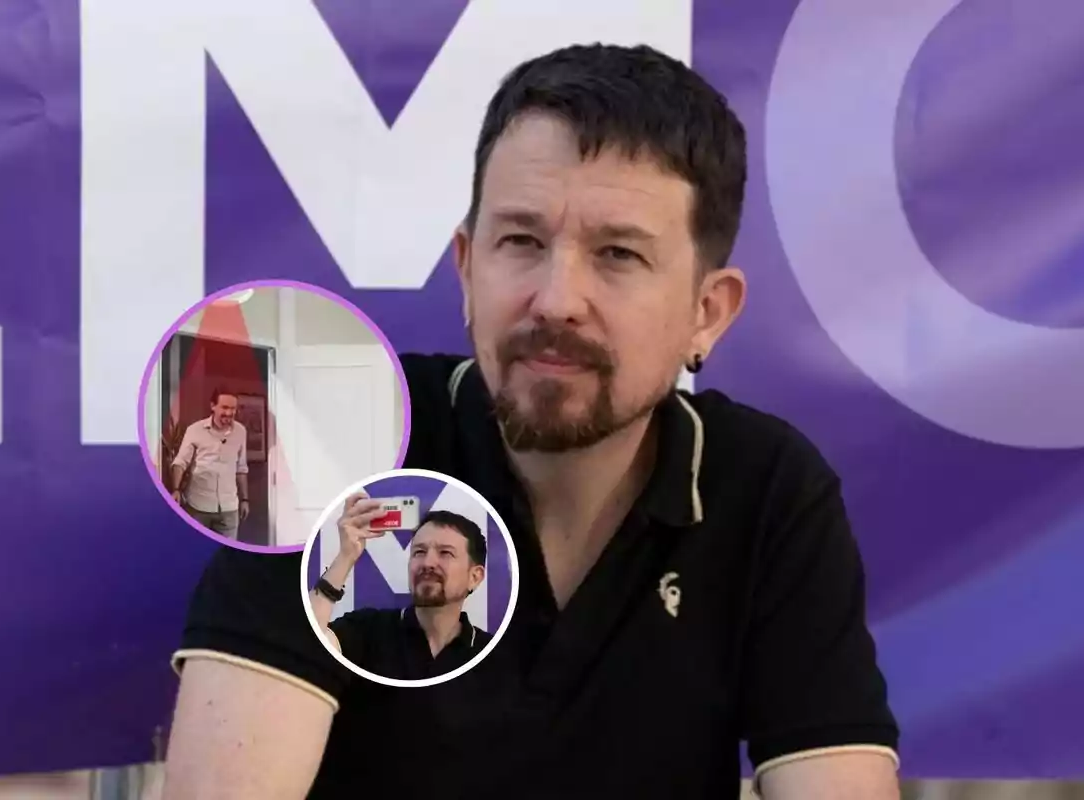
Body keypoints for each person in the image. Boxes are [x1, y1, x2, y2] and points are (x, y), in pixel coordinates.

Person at [163, 43, 901, 800]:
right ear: (466, 267)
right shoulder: (335, 437)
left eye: (617, 254)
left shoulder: (768, 491)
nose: (555, 299)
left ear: (705, 314)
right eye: (521, 241)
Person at [309, 495, 491, 680]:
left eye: (445, 553)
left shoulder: (494, 654)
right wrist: (346, 556)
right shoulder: (369, 630)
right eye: (419, 552)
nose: (428, 562)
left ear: (474, 577)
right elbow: (304, 648)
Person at [169, 387, 250, 539]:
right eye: (225, 407)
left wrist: (245, 500)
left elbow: (241, 468)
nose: (229, 413)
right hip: (198, 507)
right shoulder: (195, 430)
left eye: (233, 408)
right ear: (213, 406)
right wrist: (176, 489)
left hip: (229, 509)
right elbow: (180, 462)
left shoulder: (241, 431)